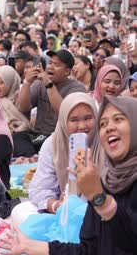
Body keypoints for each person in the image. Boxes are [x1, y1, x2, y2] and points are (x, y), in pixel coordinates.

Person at [2, 96, 137, 255]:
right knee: (20, 212)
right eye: (103, 123)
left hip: (81, 211)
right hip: (66, 213)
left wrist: (97, 196)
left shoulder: (104, 182)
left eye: (118, 119)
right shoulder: (110, 179)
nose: (108, 128)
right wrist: (31, 246)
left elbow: (127, 242)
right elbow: (89, 249)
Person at [11, 92, 103, 227]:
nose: (82, 126)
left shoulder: (105, 142)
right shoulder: (53, 143)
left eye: (88, 118)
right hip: (63, 211)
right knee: (20, 211)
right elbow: (40, 189)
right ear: (64, 121)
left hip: (99, 210)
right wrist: (56, 205)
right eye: (74, 120)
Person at [16, 49, 87, 134]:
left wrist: (48, 84)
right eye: (50, 63)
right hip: (38, 134)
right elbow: (22, 109)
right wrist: (27, 82)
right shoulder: (39, 83)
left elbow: (64, 113)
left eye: (56, 65)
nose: (50, 67)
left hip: (62, 136)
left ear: (67, 71)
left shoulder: (77, 88)